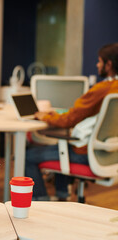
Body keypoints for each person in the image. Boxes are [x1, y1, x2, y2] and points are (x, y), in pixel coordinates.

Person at [25, 42, 118, 200]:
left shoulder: (103, 88)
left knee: (28, 156)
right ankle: (62, 197)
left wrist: (44, 116)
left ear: (108, 64)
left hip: (85, 153)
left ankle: (41, 202)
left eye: (100, 61)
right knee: (63, 146)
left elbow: (69, 120)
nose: (97, 64)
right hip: (109, 154)